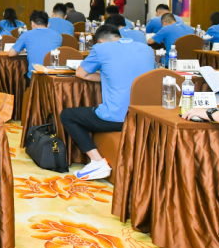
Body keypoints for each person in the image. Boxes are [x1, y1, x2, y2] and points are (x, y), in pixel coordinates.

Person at [62, 25, 155, 180]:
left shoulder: (101, 49)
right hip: (144, 117)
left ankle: (97, 161)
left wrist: (105, 76)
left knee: (67, 115)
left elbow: (81, 73)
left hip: (116, 118)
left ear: (100, 41)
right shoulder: (146, 49)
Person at [9, 10, 63, 82]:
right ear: (48, 24)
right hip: (52, 78)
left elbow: (11, 53)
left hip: (34, 78)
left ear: (32, 23)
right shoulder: (58, 36)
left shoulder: (26, 35)